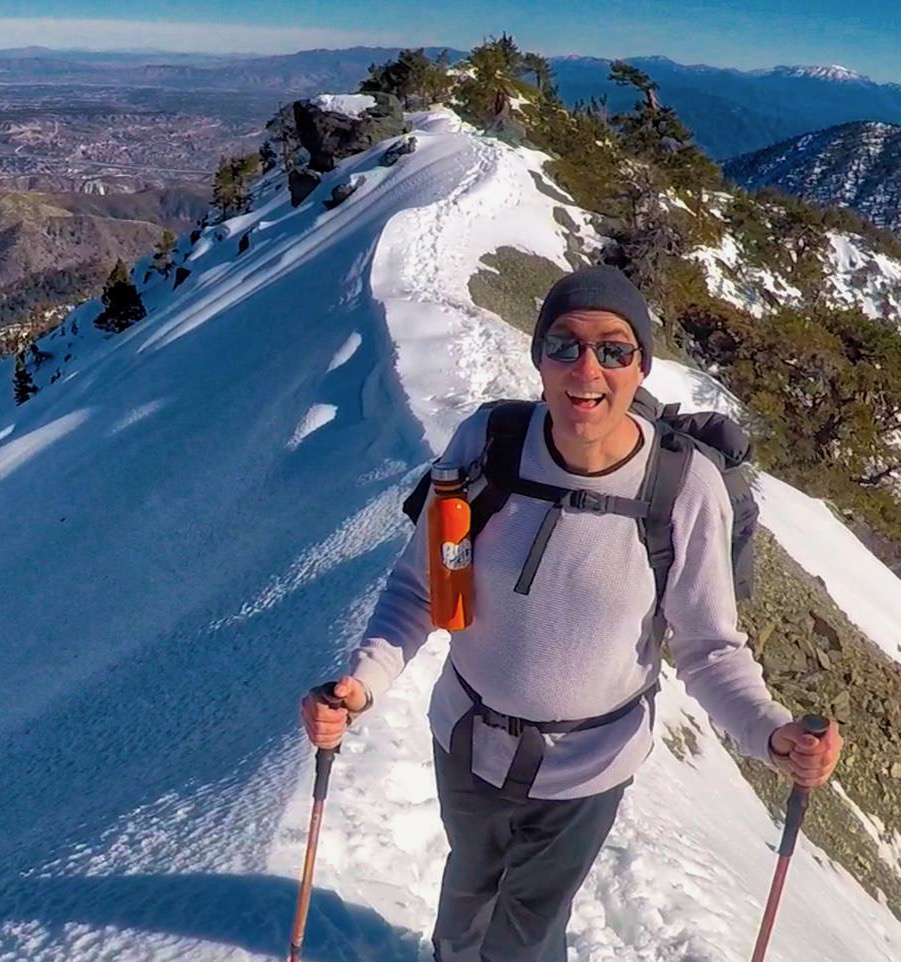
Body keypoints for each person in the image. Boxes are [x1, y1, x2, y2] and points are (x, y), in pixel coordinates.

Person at [301, 265, 842, 962]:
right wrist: (360, 685)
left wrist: (771, 735)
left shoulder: (680, 490)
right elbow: (425, 591)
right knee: (466, 896)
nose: (588, 367)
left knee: (526, 936)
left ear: (643, 365)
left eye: (614, 350)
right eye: (564, 345)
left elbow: (709, 649)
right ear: (539, 359)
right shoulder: (488, 446)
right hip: (465, 743)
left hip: (587, 770)